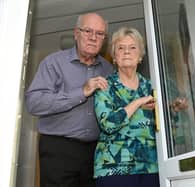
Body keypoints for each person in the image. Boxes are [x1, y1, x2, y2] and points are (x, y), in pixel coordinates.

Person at [25, 12, 113, 187]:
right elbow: (34, 103)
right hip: (59, 149)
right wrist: (81, 92)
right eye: (88, 31)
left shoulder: (108, 69)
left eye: (100, 33)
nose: (93, 38)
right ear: (76, 33)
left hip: (96, 152)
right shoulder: (53, 63)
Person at [93, 27, 160, 187]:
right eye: (121, 48)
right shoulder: (104, 86)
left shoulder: (153, 86)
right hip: (114, 168)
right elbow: (108, 124)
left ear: (140, 56)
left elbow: (168, 126)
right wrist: (137, 103)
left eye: (132, 47)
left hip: (151, 167)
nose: (127, 52)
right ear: (114, 57)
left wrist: (175, 109)